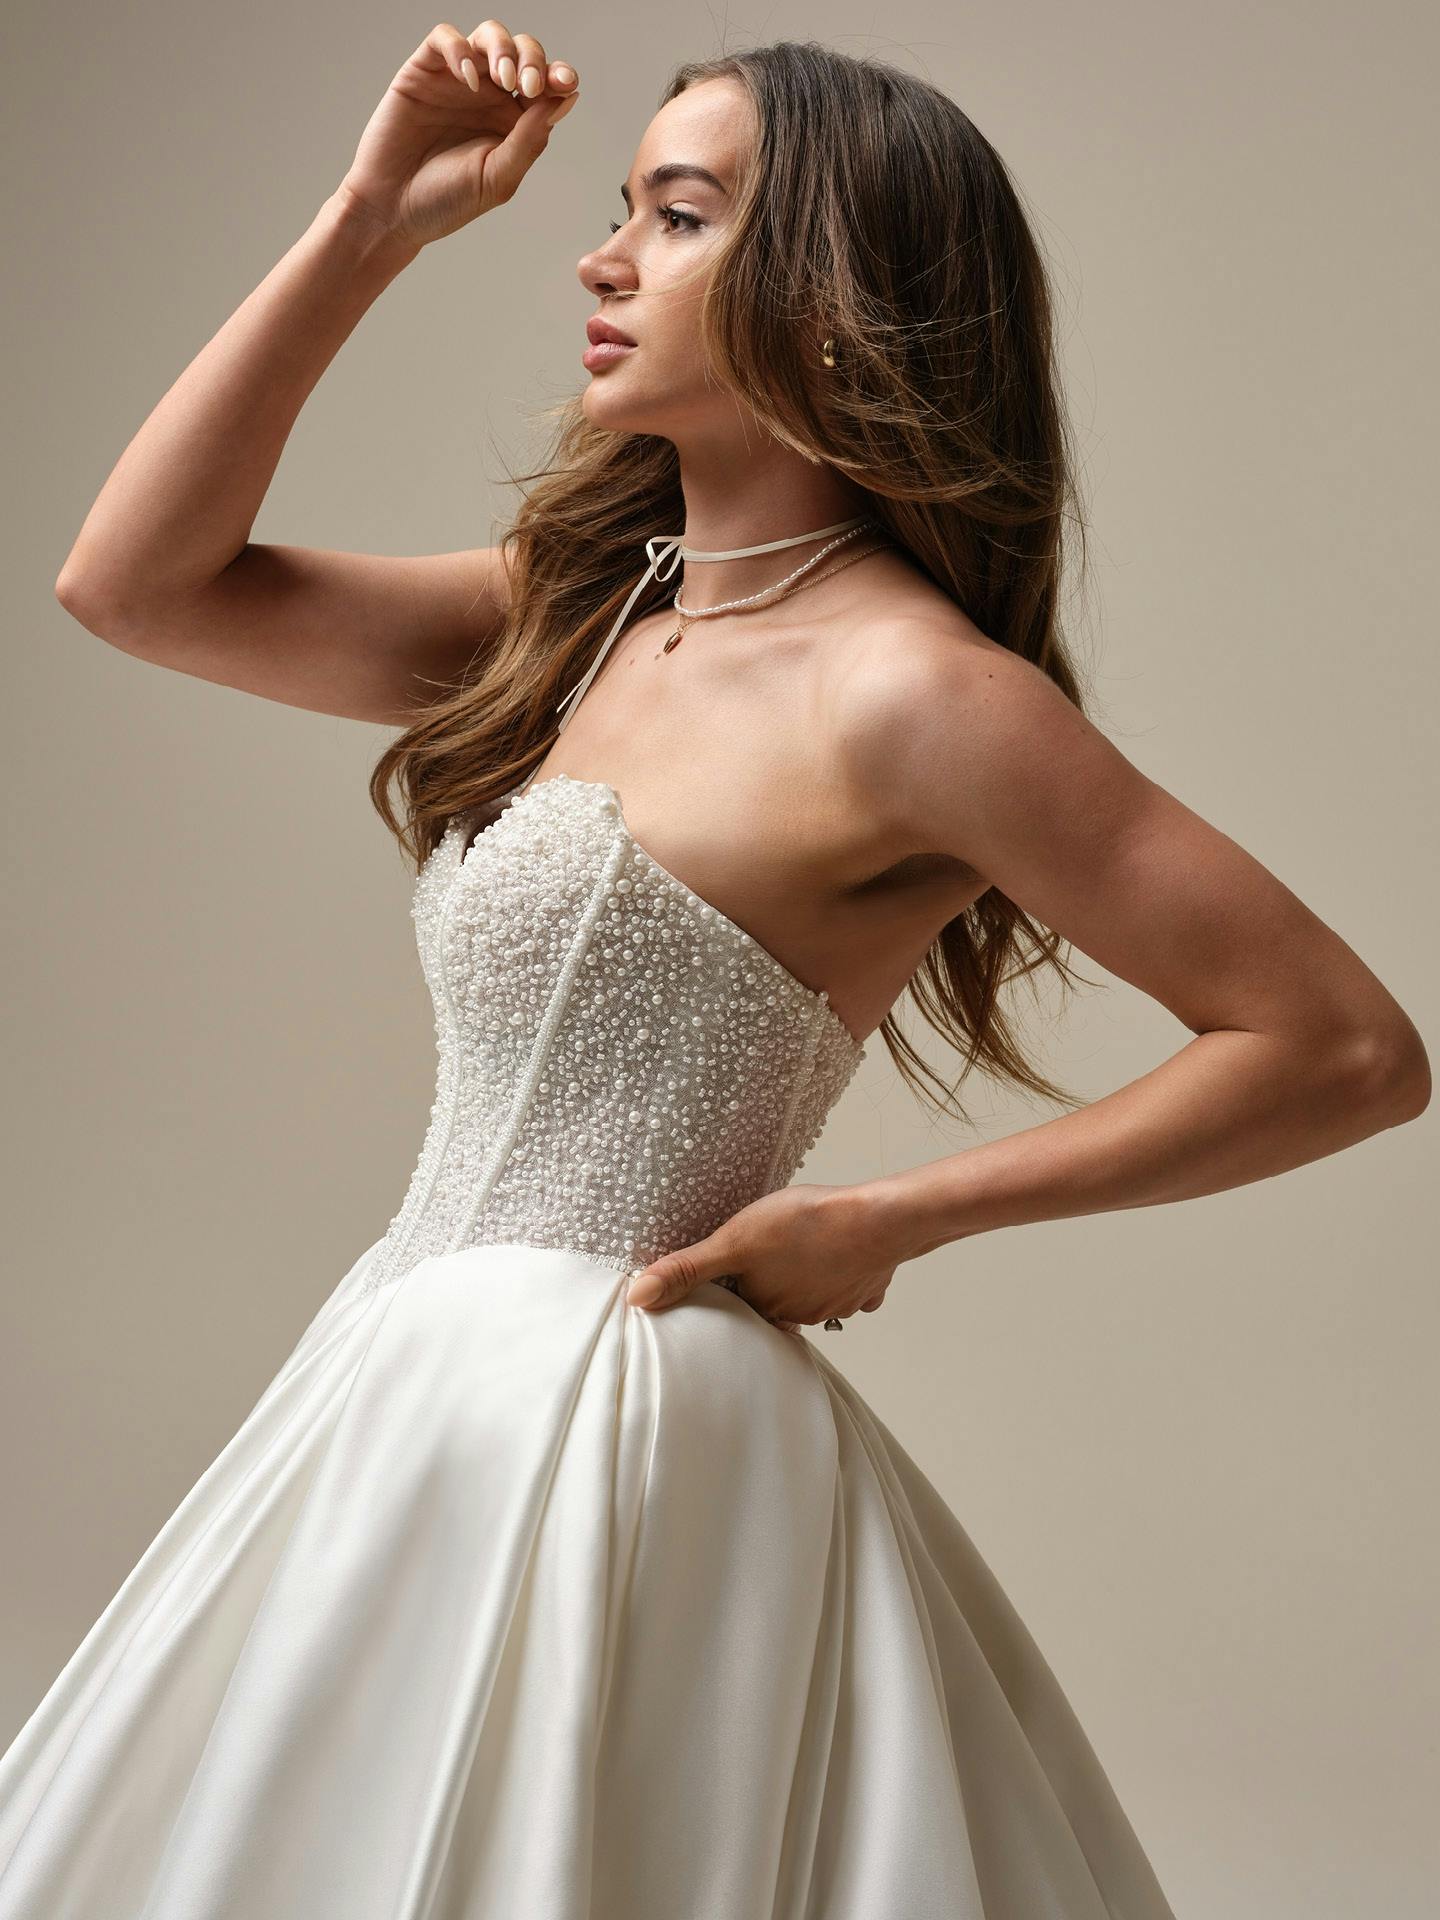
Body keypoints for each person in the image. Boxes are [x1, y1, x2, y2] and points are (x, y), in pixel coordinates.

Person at [4, 22, 1428, 1918]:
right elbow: (136, 585)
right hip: (405, 1387)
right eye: (624, 209)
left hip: (627, 1436)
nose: (602, 259)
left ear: (832, 300)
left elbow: (1343, 1046)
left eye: (676, 218)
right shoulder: (580, 616)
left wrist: (897, 1217)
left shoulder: (914, 695)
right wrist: (369, 221)